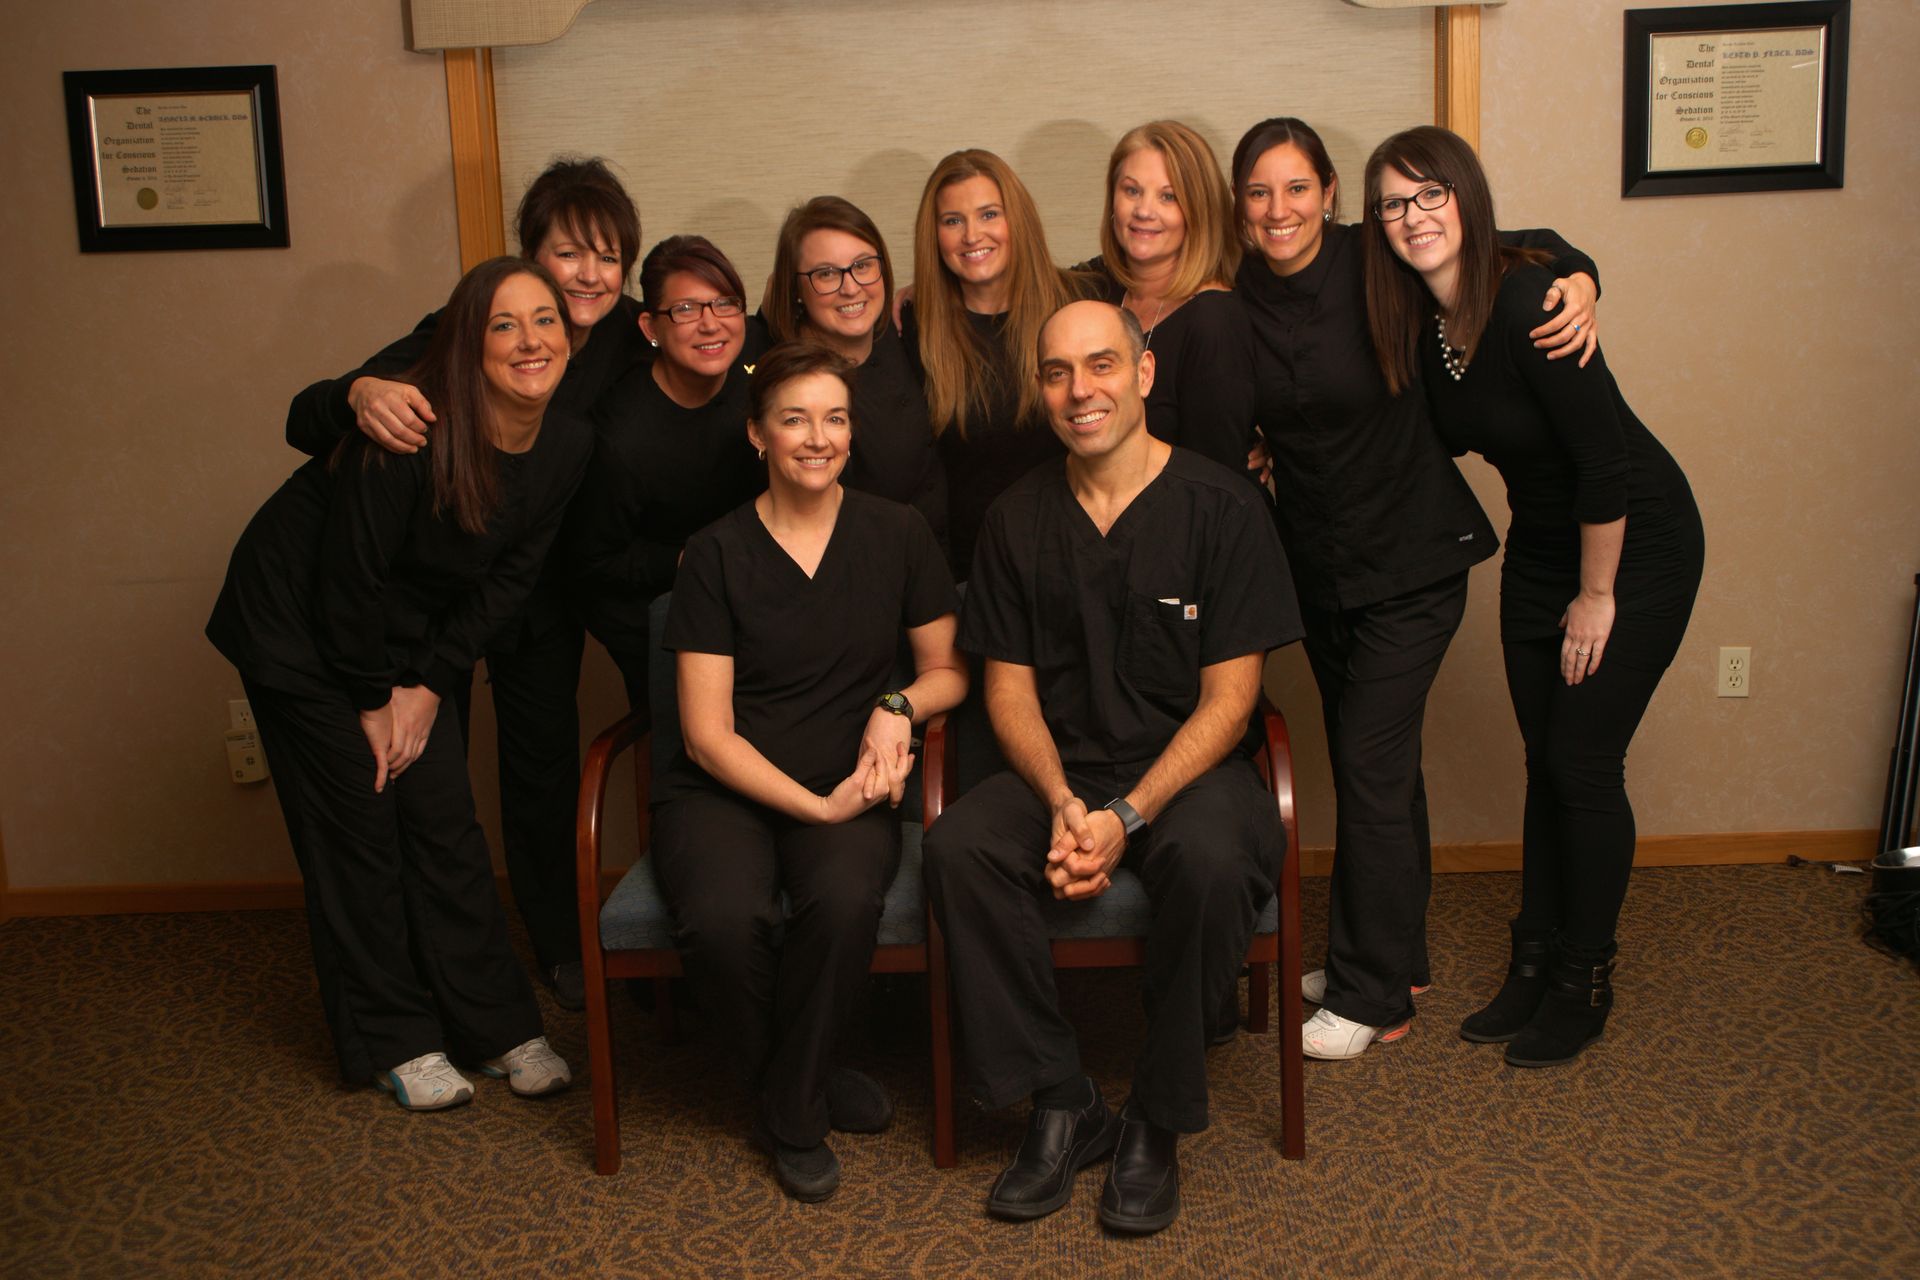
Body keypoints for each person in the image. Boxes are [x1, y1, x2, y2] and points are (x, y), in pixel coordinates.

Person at [1229, 116, 1604, 1060]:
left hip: (1414, 562)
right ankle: (1400, 952)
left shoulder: (1377, 255)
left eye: (1297, 188)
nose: (1280, 210)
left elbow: (1522, 247)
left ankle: (1371, 993)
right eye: (1258, 193)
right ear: (1240, 208)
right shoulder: (1232, 293)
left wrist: (1583, 272)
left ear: (1327, 193)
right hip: (1319, 567)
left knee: (1366, 765)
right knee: (1386, 770)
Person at [923, 301, 1301, 1235]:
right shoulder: (1017, 519)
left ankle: (1157, 1119)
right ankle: (1062, 1098)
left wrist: (1125, 816)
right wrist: (1060, 801)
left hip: (1190, 773)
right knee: (958, 847)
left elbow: (1231, 703)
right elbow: (1006, 693)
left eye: (1100, 365)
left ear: (1142, 374)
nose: (1078, 389)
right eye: (1057, 373)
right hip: (1062, 767)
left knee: (1213, 861)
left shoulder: (1222, 506)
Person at [207, 257, 591, 1109]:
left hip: (403, 638)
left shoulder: (567, 441)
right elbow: (348, 579)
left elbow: (508, 580)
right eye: (504, 324)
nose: (530, 341)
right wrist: (376, 698)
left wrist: (427, 684)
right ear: (467, 344)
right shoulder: (413, 426)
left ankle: (494, 1026)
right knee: (360, 824)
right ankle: (395, 1037)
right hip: (300, 629)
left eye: (546, 321)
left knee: (446, 821)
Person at [1362, 125, 1703, 1067]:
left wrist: (1598, 596)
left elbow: (1603, 461)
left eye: (1432, 194)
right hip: (1544, 544)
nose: (1415, 217)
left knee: (1584, 762)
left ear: (1466, 200)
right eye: (1394, 202)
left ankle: (1585, 976)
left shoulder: (1527, 301)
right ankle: (1535, 959)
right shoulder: (1420, 328)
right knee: (1545, 755)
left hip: (1634, 538)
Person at [283, 157, 646, 1011]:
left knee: (542, 766)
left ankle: (560, 942)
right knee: (430, 768)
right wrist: (361, 391)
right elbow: (309, 420)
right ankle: (441, 964)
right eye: (567, 253)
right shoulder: (474, 324)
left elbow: (733, 343)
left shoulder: (640, 330)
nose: (588, 274)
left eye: (607, 254)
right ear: (530, 258)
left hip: (559, 586)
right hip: (451, 581)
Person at [652, 342, 966, 1201]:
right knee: (720, 916)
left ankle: (785, 1107)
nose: (816, 437)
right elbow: (707, 735)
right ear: (758, 435)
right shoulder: (714, 553)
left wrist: (896, 708)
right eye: (794, 419)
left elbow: (950, 670)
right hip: (724, 788)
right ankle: (805, 1093)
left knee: (843, 901)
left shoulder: (897, 531)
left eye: (834, 418)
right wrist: (812, 808)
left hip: (851, 773)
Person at [565, 234, 765, 719]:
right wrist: (684, 559)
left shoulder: (759, 385)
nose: (711, 323)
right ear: (650, 326)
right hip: (654, 616)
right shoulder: (620, 437)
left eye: (725, 303)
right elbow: (593, 562)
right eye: (686, 310)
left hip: (751, 598)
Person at [903, 149, 1092, 580]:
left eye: (989, 214)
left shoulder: (1081, 301)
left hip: (1078, 561)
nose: (972, 235)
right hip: (971, 574)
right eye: (953, 221)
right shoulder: (914, 328)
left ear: (1016, 220)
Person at [1079, 120, 1259, 476]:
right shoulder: (1095, 288)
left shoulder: (1213, 322)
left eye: (1168, 196)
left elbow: (1216, 484)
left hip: (1183, 525)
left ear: (1199, 210)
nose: (1144, 211)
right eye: (1131, 191)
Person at [759, 196, 945, 541]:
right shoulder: (787, 379)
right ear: (796, 288)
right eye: (826, 274)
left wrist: (935, 288)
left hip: (941, 559)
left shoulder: (903, 330)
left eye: (862, 266)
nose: (850, 287)